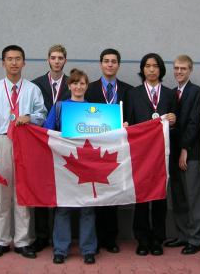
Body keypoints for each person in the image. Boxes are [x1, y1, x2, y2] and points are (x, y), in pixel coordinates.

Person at [0, 45, 47, 259]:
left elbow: (42, 114)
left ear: (24, 62)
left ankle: (22, 241)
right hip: (2, 141)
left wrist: (30, 116)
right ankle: (2, 241)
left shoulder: (32, 89)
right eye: (9, 59)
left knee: (23, 193)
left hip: (26, 142)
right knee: (2, 195)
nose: (14, 63)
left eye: (18, 59)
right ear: (3, 63)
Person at [44, 69, 97, 265]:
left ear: (86, 86)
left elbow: (105, 135)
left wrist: (120, 126)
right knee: (63, 208)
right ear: (69, 86)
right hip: (64, 164)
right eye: (75, 83)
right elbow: (46, 131)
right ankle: (60, 249)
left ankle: (88, 249)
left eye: (82, 83)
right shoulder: (59, 107)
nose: (78, 87)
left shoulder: (95, 110)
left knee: (88, 209)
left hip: (88, 164)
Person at [125, 53, 176, 256]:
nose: (152, 69)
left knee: (160, 197)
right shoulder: (133, 94)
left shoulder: (170, 94)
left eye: (155, 66)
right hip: (140, 154)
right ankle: (142, 239)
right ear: (142, 69)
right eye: (147, 66)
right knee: (141, 197)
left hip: (162, 155)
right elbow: (128, 121)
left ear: (161, 69)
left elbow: (175, 125)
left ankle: (157, 239)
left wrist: (173, 121)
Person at [85, 48, 132, 253]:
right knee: (95, 193)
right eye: (106, 61)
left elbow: (134, 117)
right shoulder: (89, 89)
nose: (110, 64)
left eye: (114, 61)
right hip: (94, 149)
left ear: (118, 65)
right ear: (101, 64)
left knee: (112, 193)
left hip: (117, 149)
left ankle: (110, 239)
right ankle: (94, 240)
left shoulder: (129, 90)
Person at [31, 44, 71, 252]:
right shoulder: (35, 85)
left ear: (65, 60)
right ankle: (41, 236)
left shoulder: (72, 84)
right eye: (53, 58)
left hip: (64, 146)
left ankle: (60, 237)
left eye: (60, 58)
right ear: (48, 60)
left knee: (62, 190)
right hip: (41, 144)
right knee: (41, 189)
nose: (56, 61)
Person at [165, 55, 200, 255]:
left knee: (193, 196)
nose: (179, 72)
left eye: (183, 68)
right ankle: (182, 235)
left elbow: (193, 122)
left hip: (190, 152)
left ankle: (196, 238)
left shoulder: (196, 92)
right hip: (173, 152)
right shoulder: (172, 93)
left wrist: (185, 149)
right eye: (176, 68)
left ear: (190, 70)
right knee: (179, 196)